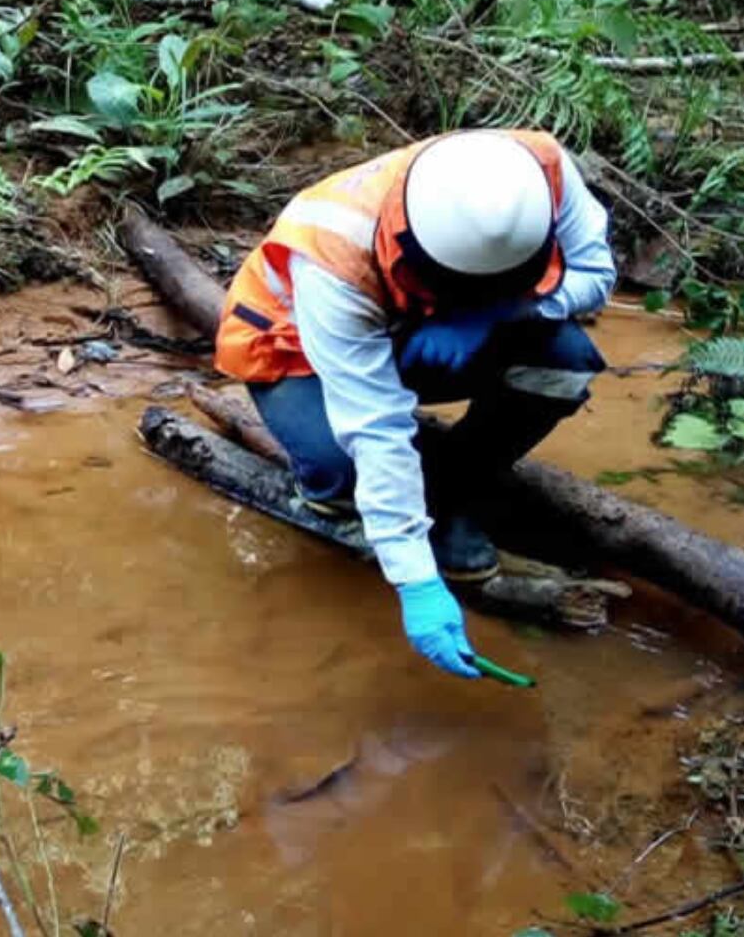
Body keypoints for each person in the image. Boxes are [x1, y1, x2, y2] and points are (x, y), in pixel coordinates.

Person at [213, 130, 615, 678]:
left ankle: (455, 497)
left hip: (422, 332)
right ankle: (325, 481)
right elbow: (376, 426)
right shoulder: (335, 250)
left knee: (561, 362)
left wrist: (501, 316)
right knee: (344, 471)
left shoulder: (535, 174)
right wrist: (418, 583)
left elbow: (595, 275)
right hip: (295, 349)